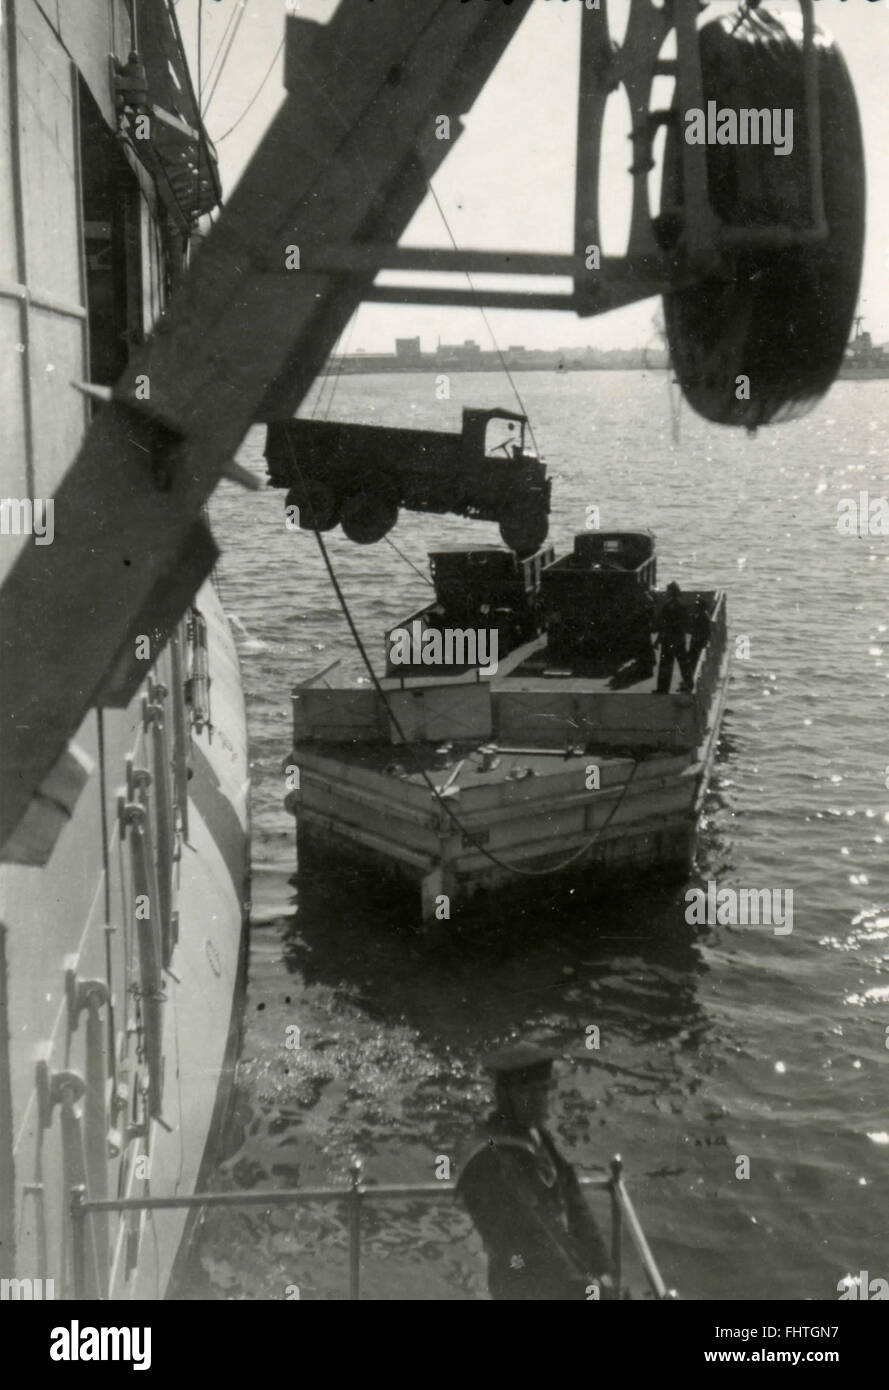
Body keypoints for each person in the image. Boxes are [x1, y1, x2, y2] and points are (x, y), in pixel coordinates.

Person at [456, 1044, 613, 1300]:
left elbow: (575, 1204)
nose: (544, 1100)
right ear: (507, 1097)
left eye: (545, 1090)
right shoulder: (488, 1160)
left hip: (571, 1276)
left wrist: (602, 1269)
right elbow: (527, 1239)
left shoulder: (537, 1137)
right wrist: (584, 1288)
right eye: (532, 1093)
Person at [655, 581, 692, 693]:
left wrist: (658, 640)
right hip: (679, 639)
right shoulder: (682, 604)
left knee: (666, 665)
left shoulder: (667, 605)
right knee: (683, 664)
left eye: (668, 590)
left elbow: (664, 624)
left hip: (668, 639)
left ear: (671, 591)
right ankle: (689, 685)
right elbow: (686, 623)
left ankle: (663, 689)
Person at [687, 594, 712, 673]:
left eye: (697, 605)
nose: (695, 606)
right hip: (695, 639)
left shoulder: (704, 616)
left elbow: (707, 630)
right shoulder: (697, 615)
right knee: (691, 658)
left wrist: (706, 640)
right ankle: (690, 675)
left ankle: (691, 676)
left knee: (694, 659)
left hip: (699, 640)